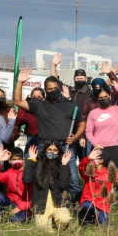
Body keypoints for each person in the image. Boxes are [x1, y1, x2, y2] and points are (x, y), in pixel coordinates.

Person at [13, 68, 85, 204]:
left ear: (59, 87)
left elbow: (82, 123)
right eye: (49, 89)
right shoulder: (39, 105)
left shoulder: (70, 105)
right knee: (42, 177)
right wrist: (19, 82)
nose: (53, 91)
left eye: (55, 88)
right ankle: (42, 207)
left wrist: (75, 137)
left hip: (66, 146)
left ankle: (78, 209)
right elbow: (17, 101)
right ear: (45, 91)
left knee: (73, 179)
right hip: (44, 146)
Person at [51, 54, 118, 161]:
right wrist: (54, 66)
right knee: (69, 159)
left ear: (86, 79)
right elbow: (54, 81)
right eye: (77, 78)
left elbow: (104, 89)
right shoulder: (68, 90)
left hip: (85, 132)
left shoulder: (92, 95)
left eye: (82, 78)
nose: (79, 79)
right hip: (69, 131)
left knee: (86, 158)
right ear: (73, 79)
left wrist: (111, 75)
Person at [22, 142, 72, 233]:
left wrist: (64, 165)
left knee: (64, 219)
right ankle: (49, 222)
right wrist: (31, 160)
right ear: (45, 150)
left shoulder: (62, 165)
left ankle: (57, 223)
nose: (52, 152)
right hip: (41, 204)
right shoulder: (38, 164)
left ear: (58, 152)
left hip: (58, 203)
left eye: (55, 150)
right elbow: (26, 179)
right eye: (49, 149)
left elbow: (64, 185)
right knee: (42, 228)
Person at [85, 80, 118, 168]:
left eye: (105, 96)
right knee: (97, 177)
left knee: (116, 177)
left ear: (110, 96)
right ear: (97, 99)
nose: (103, 99)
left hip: (113, 148)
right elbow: (88, 131)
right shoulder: (93, 113)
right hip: (98, 149)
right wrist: (95, 144)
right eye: (101, 97)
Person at [78, 148, 118, 225]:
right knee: (86, 206)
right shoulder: (89, 172)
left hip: (102, 206)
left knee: (107, 225)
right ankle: (88, 222)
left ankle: (98, 218)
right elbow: (81, 167)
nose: (92, 158)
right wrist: (88, 158)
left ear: (101, 160)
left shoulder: (110, 174)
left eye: (95, 156)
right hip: (89, 202)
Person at [82, 64, 118, 156]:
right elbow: (83, 120)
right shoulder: (88, 101)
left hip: (109, 140)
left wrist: (110, 74)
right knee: (92, 161)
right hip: (92, 138)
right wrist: (82, 137)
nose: (98, 90)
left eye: (100, 88)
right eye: (96, 88)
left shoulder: (110, 98)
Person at [0, 146, 33, 221]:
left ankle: (17, 216)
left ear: (23, 160)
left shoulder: (28, 174)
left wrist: (20, 208)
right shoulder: (9, 173)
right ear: (10, 161)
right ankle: (2, 217)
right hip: (11, 202)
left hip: (23, 206)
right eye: (14, 159)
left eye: (19, 159)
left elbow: (31, 196)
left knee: (15, 220)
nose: (17, 161)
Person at [15, 87, 44, 159]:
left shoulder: (46, 109)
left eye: (39, 96)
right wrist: (22, 105)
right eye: (34, 96)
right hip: (31, 140)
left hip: (44, 140)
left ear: (44, 98)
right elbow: (20, 121)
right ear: (30, 97)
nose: (36, 98)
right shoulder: (28, 110)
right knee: (30, 164)